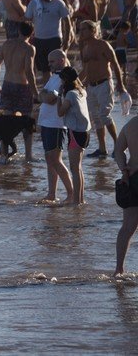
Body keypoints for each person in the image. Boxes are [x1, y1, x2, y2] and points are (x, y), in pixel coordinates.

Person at [78, 20, 127, 159]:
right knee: (96, 118)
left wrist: (121, 84)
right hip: (91, 86)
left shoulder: (103, 45)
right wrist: (75, 84)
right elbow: (85, 70)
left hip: (104, 83)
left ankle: (118, 146)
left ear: (93, 30)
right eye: (80, 30)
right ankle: (102, 148)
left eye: (83, 30)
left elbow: (116, 64)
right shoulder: (85, 48)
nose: (80, 33)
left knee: (104, 115)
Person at [0, 21, 38, 160]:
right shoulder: (29, 48)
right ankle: (28, 156)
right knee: (27, 122)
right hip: (22, 87)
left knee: (6, 121)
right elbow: (29, 71)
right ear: (32, 34)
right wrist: (35, 91)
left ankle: (3, 154)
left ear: (18, 31)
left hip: (7, 85)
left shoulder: (7, 44)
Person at [37, 49, 76, 203]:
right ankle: (51, 194)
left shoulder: (65, 77)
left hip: (56, 125)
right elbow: (42, 95)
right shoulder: (54, 76)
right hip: (47, 123)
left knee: (55, 159)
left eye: (52, 62)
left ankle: (71, 193)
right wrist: (43, 95)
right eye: (49, 62)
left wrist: (44, 95)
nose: (49, 65)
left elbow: (51, 98)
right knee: (49, 159)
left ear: (61, 60)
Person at [56, 66, 90, 206]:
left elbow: (60, 112)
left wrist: (58, 96)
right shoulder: (81, 91)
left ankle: (76, 202)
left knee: (75, 169)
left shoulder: (70, 94)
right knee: (79, 168)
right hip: (85, 133)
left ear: (65, 80)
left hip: (75, 133)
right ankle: (80, 200)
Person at [113, 116, 138, 275]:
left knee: (127, 227)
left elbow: (118, 150)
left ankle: (119, 269)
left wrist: (124, 171)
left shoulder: (131, 124)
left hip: (133, 178)